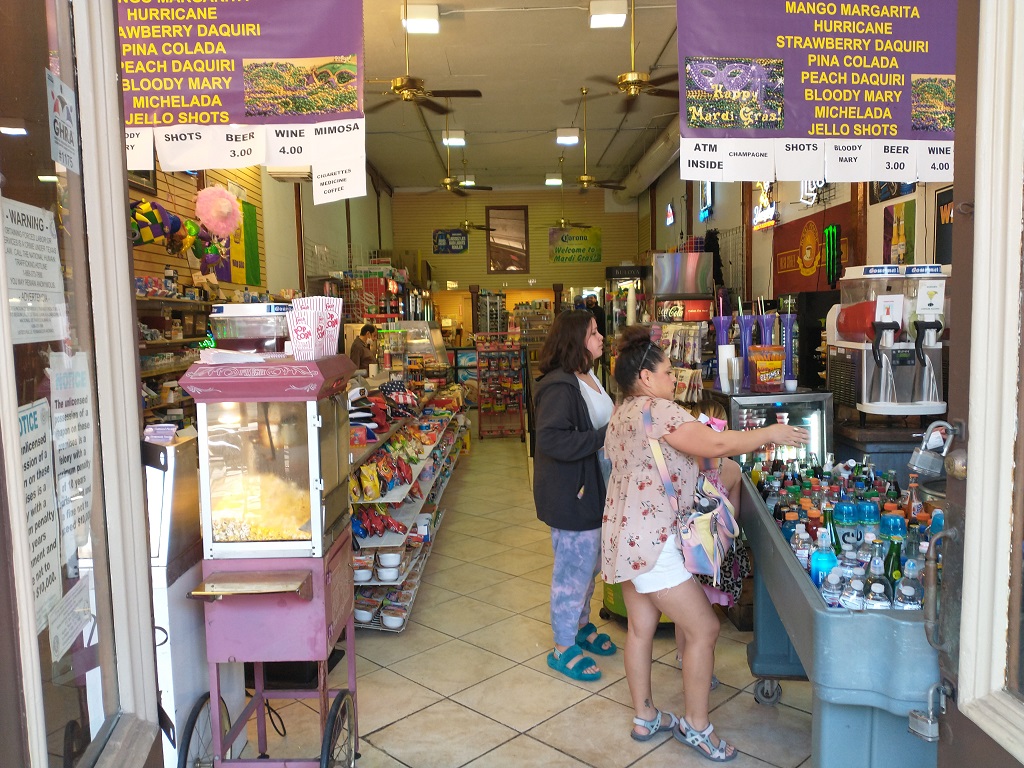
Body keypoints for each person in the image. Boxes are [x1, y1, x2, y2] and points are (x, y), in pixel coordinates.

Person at [602, 325, 808, 761]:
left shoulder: (621, 413)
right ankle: (697, 727)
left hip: (623, 538)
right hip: (654, 543)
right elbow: (714, 443)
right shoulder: (659, 410)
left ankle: (645, 717)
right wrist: (770, 433)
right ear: (645, 378)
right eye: (667, 372)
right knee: (704, 628)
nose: (674, 379)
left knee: (640, 629)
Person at [532, 309, 615, 682]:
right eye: (594, 332)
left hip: (593, 490)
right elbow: (552, 439)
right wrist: (604, 435)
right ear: (575, 340)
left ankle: (580, 626)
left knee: (589, 565)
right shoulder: (559, 386)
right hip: (572, 494)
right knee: (573, 570)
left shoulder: (589, 376)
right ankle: (563, 646)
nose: (601, 337)